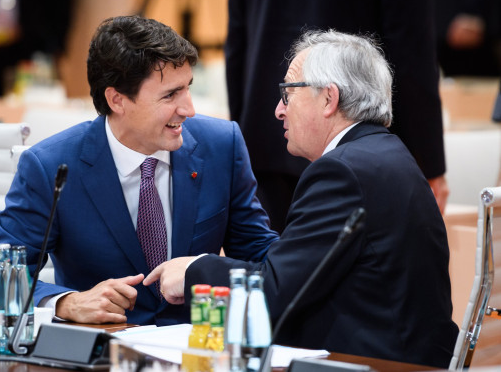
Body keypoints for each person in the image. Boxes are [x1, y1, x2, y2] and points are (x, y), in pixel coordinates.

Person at [145, 30, 459, 368]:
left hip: (375, 362)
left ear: (328, 99)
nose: (279, 110)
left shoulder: (341, 172)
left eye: (287, 93)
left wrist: (194, 269)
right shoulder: (386, 154)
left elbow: (273, 293)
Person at [0, 15, 278, 326]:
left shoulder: (221, 146)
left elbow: (260, 255)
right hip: (102, 350)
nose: (188, 109)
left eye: (187, 88)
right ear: (117, 100)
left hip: (199, 347)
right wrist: (67, 302)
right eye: (170, 95)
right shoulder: (51, 166)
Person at [225, 0, 449, 232]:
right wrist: (427, 162)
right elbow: (411, 44)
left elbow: (236, 41)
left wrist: (242, 134)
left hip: (265, 133)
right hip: (358, 152)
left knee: (275, 262)